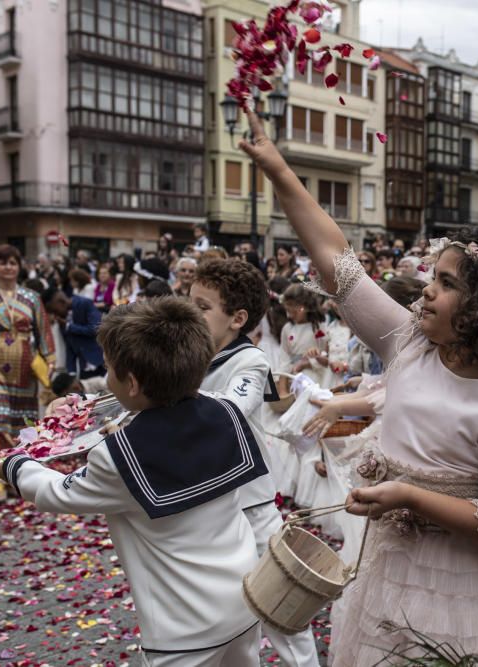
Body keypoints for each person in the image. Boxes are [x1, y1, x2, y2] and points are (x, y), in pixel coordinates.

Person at [240, 109, 478, 665]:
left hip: (475, 593)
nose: (425, 292)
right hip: (392, 570)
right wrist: (278, 170)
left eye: (445, 283)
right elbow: (337, 260)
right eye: (431, 278)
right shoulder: (409, 343)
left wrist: (410, 496)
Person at [0, 298, 267, 664]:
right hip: (245, 601)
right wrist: (81, 406)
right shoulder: (223, 410)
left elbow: (55, 492)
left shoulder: (118, 457)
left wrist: (14, 462)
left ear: (134, 382)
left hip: (183, 628)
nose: (107, 377)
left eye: (108, 368)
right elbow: (135, 398)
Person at [189, 258, 321, 667]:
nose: (189, 314)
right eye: (188, 302)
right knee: (219, 615)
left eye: (202, 307)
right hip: (205, 510)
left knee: (283, 612)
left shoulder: (250, 360)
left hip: (252, 506)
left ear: (237, 319)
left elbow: (232, 409)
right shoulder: (186, 356)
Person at [0, 245, 55, 502]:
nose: (8, 267)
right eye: (3, 262)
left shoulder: (31, 298)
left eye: (13, 262)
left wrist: (49, 360)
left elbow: (43, 330)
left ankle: (18, 475)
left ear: (19, 266)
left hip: (24, 367)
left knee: (21, 423)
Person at [41, 286, 105, 387]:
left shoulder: (85, 303)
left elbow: (96, 328)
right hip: (84, 368)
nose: (55, 315)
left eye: (54, 310)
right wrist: (71, 374)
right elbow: (69, 347)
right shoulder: (61, 319)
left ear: (61, 302)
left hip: (102, 362)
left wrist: (69, 326)